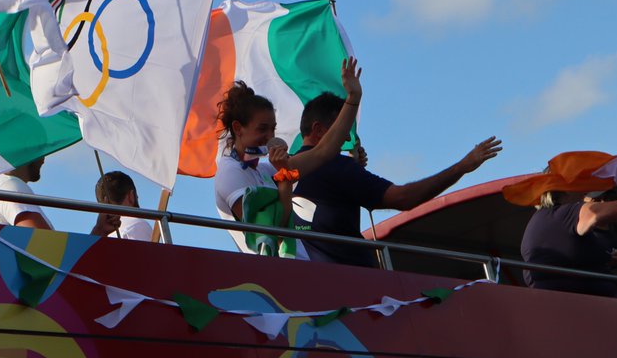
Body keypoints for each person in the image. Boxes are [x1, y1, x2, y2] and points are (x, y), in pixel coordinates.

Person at [292, 91, 503, 266]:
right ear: (318, 129)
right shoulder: (337, 167)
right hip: (352, 286)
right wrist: (462, 166)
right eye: (342, 130)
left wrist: (353, 173)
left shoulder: (279, 172)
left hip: (304, 284)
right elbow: (403, 198)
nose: (347, 138)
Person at [213, 57, 361, 255]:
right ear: (238, 128)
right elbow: (273, 233)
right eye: (262, 129)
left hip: (298, 265)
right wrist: (284, 176)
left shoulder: (266, 169)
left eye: (273, 130)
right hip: (271, 275)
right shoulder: (229, 172)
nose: (269, 138)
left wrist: (352, 99)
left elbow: (322, 152)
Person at [95, 171, 154, 241]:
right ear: (131, 196)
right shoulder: (137, 225)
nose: (137, 198)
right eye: (136, 196)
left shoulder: (96, 238)